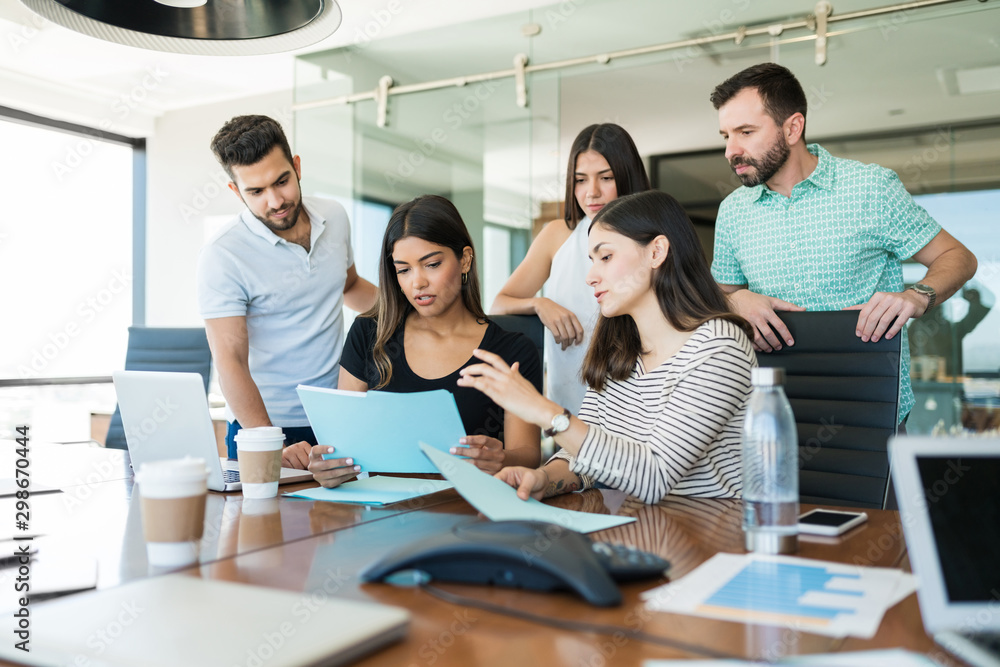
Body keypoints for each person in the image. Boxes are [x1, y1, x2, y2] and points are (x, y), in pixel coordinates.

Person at [709, 62, 977, 423]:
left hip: (870, 402)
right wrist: (735, 298)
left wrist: (916, 296)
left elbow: (957, 256)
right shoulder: (732, 211)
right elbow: (718, 296)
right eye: (726, 135)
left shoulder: (870, 188)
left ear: (792, 127)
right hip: (770, 407)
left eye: (745, 132)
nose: (731, 151)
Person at [458, 190, 756, 505]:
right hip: (645, 530)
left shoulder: (720, 346)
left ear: (656, 252)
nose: (590, 277)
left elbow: (654, 476)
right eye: (592, 260)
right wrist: (543, 478)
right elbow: (585, 455)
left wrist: (542, 410)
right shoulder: (621, 350)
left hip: (715, 534)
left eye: (606, 257)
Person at [308, 195, 542, 488]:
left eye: (431, 264)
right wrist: (330, 466)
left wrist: (502, 458)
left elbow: (529, 454)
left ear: (465, 259)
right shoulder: (369, 333)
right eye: (403, 269)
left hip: (469, 510)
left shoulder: (512, 350)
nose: (417, 283)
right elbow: (342, 443)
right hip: (384, 516)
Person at [197, 115, 376, 468]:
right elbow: (230, 359)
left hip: (336, 418)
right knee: (262, 524)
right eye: (256, 191)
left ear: (296, 167)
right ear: (236, 191)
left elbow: (350, 286)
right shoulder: (224, 255)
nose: (276, 200)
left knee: (343, 522)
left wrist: (413, 311)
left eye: (282, 181)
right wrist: (268, 440)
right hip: (266, 425)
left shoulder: (334, 216)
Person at [491, 123, 650, 413]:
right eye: (580, 180)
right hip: (569, 399)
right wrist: (540, 304)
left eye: (606, 177)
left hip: (635, 399)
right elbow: (500, 304)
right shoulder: (557, 234)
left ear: (627, 177)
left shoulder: (651, 240)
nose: (592, 192)